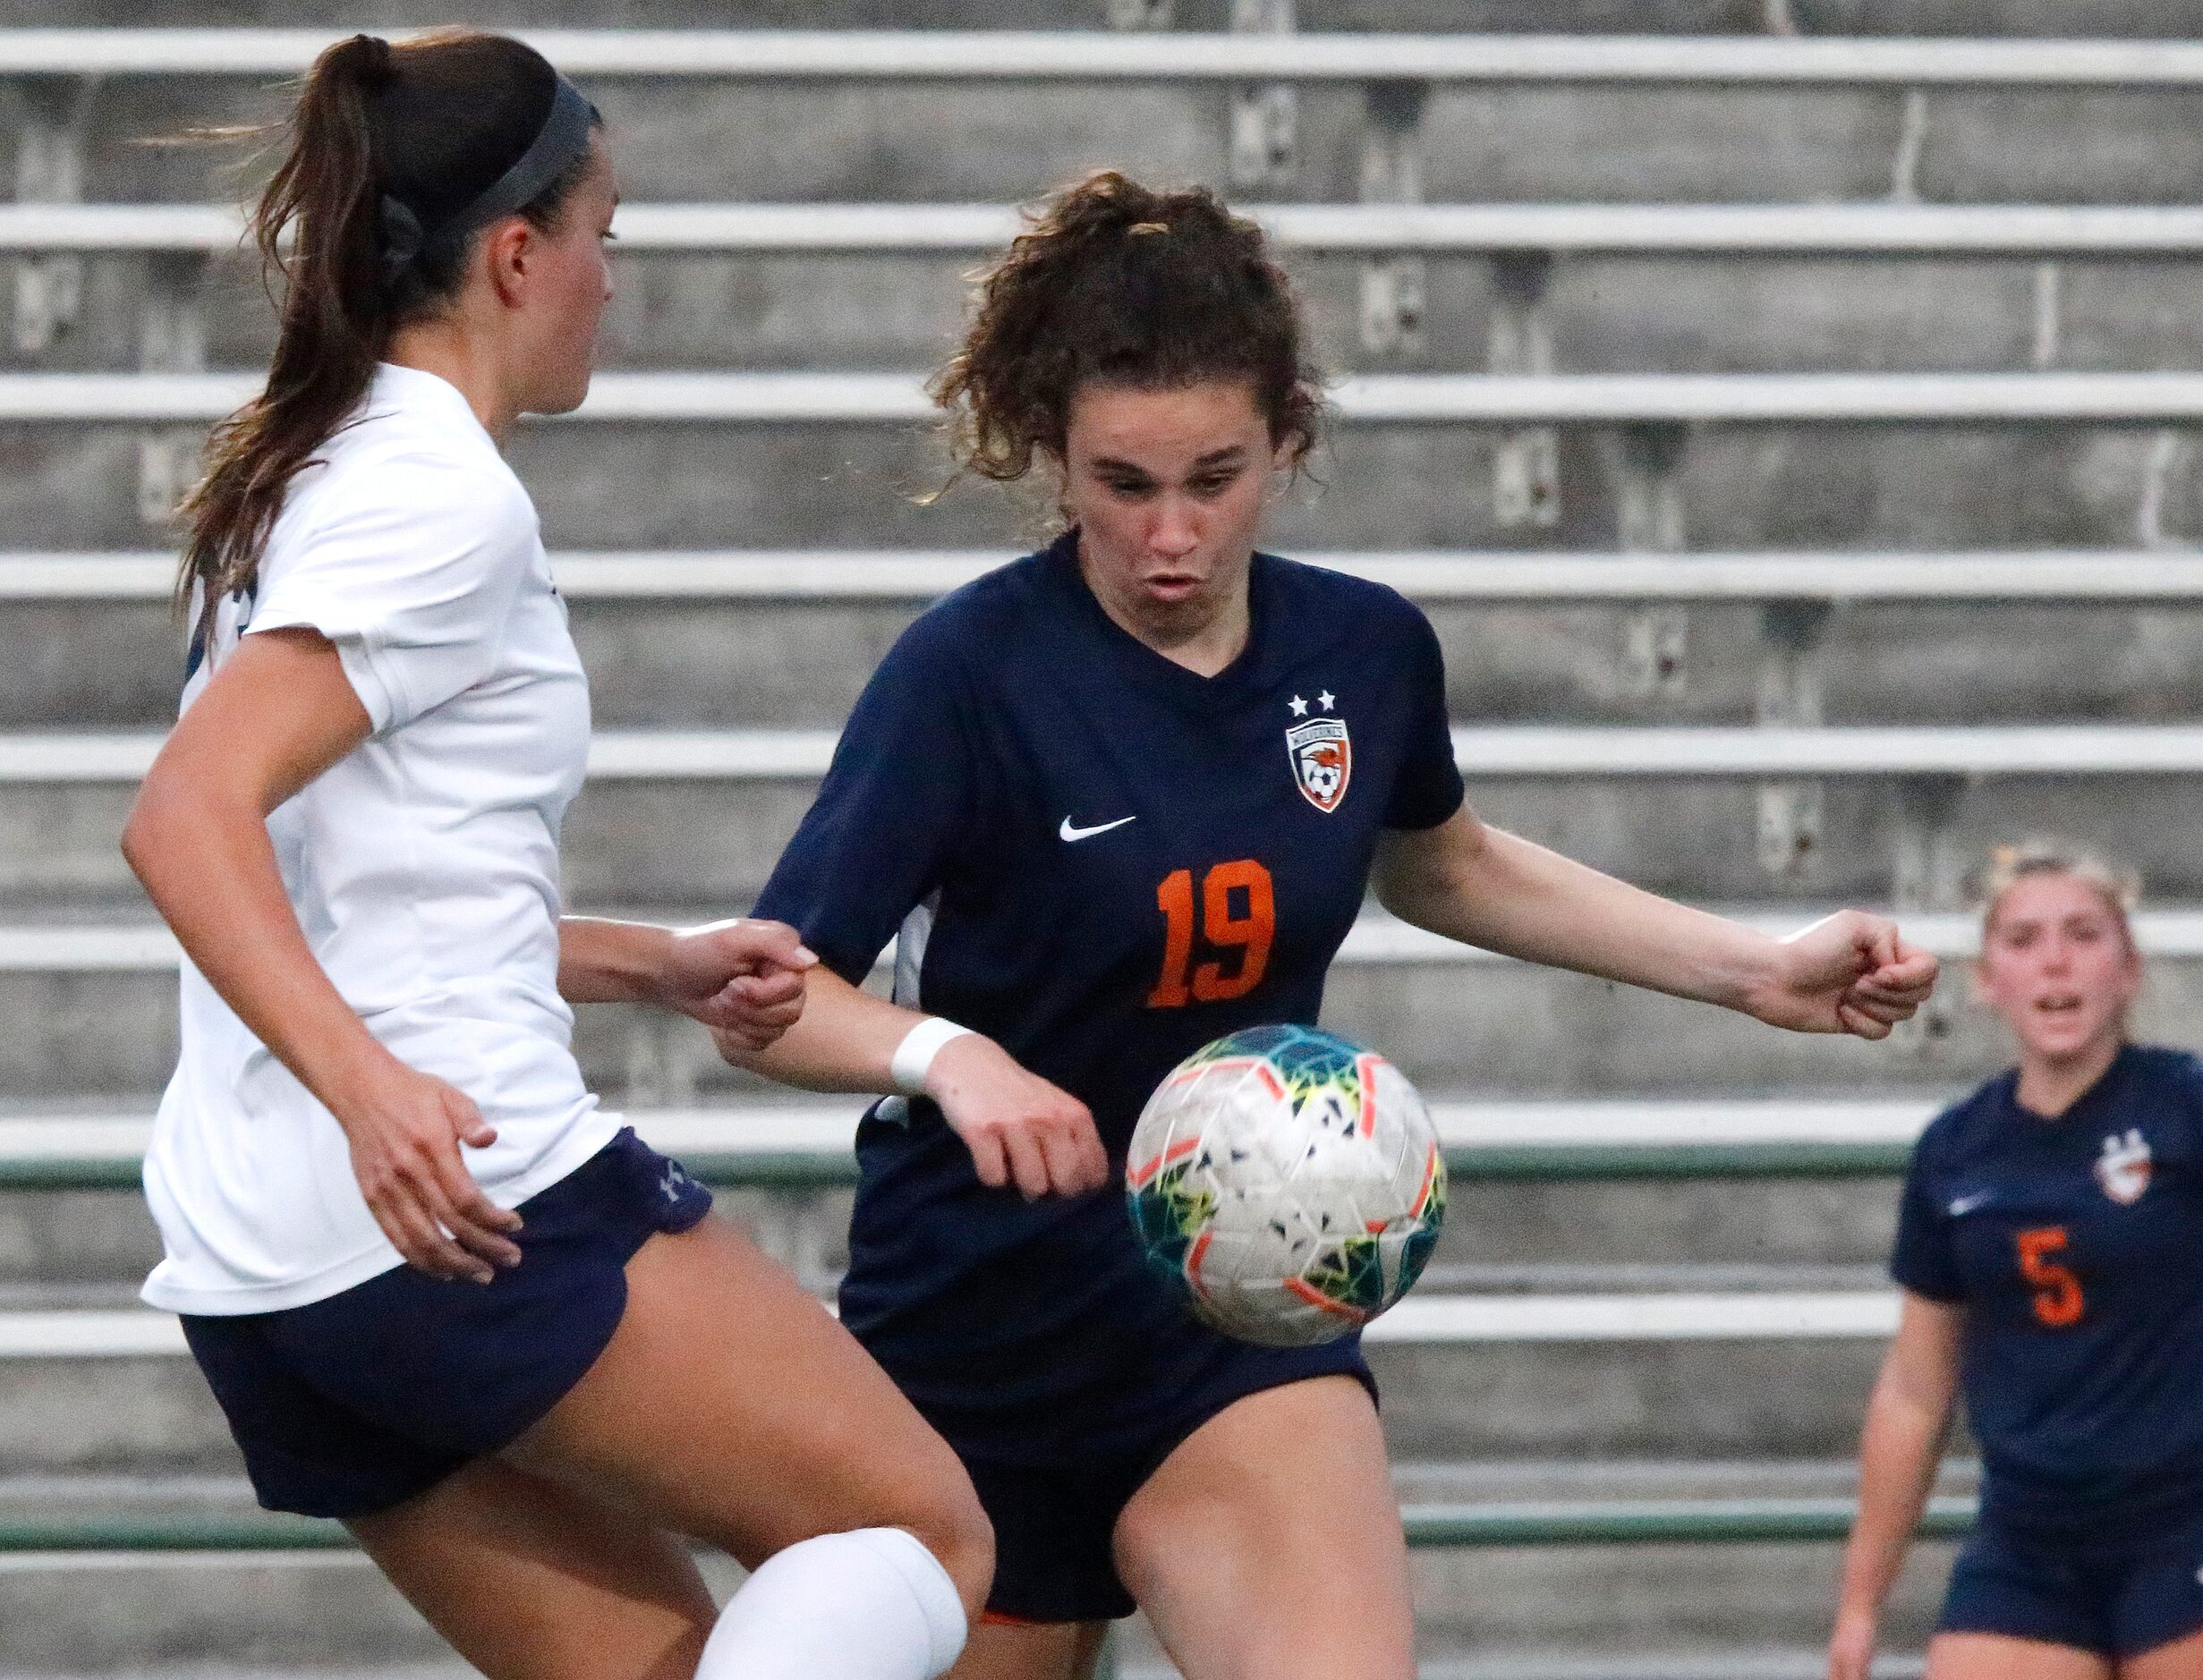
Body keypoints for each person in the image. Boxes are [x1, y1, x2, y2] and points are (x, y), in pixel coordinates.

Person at [720, 169, 1941, 1680]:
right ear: (1049, 450)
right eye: (1120, 483)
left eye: (1215, 475)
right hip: (972, 1341)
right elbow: (772, 999)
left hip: (1235, 1314)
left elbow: (1440, 862)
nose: (1169, 531)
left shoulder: (1362, 648)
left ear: (1287, 438)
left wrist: (1754, 968)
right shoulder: (965, 673)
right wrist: (948, 1054)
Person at [123, 31, 991, 1680]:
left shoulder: (295, 475)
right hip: (450, 1201)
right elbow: (186, 814)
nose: (613, 278)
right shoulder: (437, 496)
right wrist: (376, 1092)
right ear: (517, 255)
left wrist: (647, 963)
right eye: (607, 232)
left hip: (259, 1265)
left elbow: (365, 880)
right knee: (917, 1528)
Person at [1831, 842, 2203, 1680]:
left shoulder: (2184, 1106)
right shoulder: (1958, 1153)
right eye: (2025, 939)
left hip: (2184, 1517)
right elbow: (1916, 1391)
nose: (2056, 962)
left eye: (2084, 933)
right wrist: (1860, 1605)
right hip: (2031, 1538)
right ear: (1986, 978)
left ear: (2130, 967)